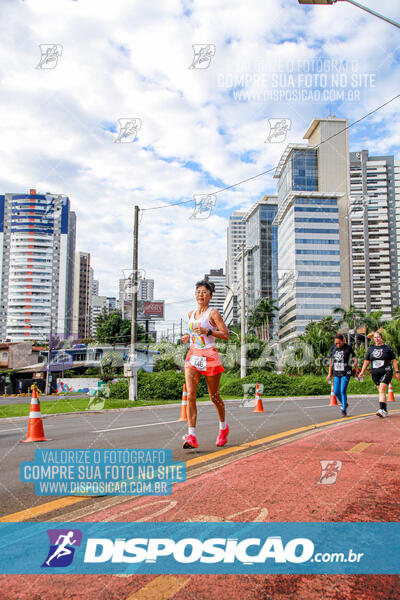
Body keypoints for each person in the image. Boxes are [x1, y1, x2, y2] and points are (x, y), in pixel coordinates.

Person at [181, 280, 230, 449]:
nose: (200, 295)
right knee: (190, 395)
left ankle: (223, 428)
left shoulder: (213, 313)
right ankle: (192, 436)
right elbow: (192, 332)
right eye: (198, 292)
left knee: (214, 396)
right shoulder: (191, 314)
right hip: (193, 356)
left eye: (204, 292)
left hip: (209, 356)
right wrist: (187, 338)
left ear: (210, 295)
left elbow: (226, 335)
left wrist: (209, 331)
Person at [359, 331, 400, 418]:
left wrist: (397, 372)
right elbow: (366, 362)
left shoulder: (387, 348)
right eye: (375, 337)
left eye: (378, 337)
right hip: (375, 374)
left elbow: (394, 361)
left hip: (386, 371)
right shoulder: (371, 349)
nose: (377, 339)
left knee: (382, 390)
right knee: (382, 392)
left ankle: (381, 409)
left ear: (381, 338)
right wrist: (362, 372)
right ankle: (384, 410)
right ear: (373, 339)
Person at [327, 333, 359, 417]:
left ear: (343, 341)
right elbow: (331, 363)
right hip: (336, 372)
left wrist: (357, 371)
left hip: (346, 372)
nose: (337, 345)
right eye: (336, 343)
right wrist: (329, 374)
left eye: (339, 343)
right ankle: (345, 403)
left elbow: (354, 360)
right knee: (336, 392)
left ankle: (344, 410)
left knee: (342, 390)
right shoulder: (333, 348)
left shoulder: (348, 348)